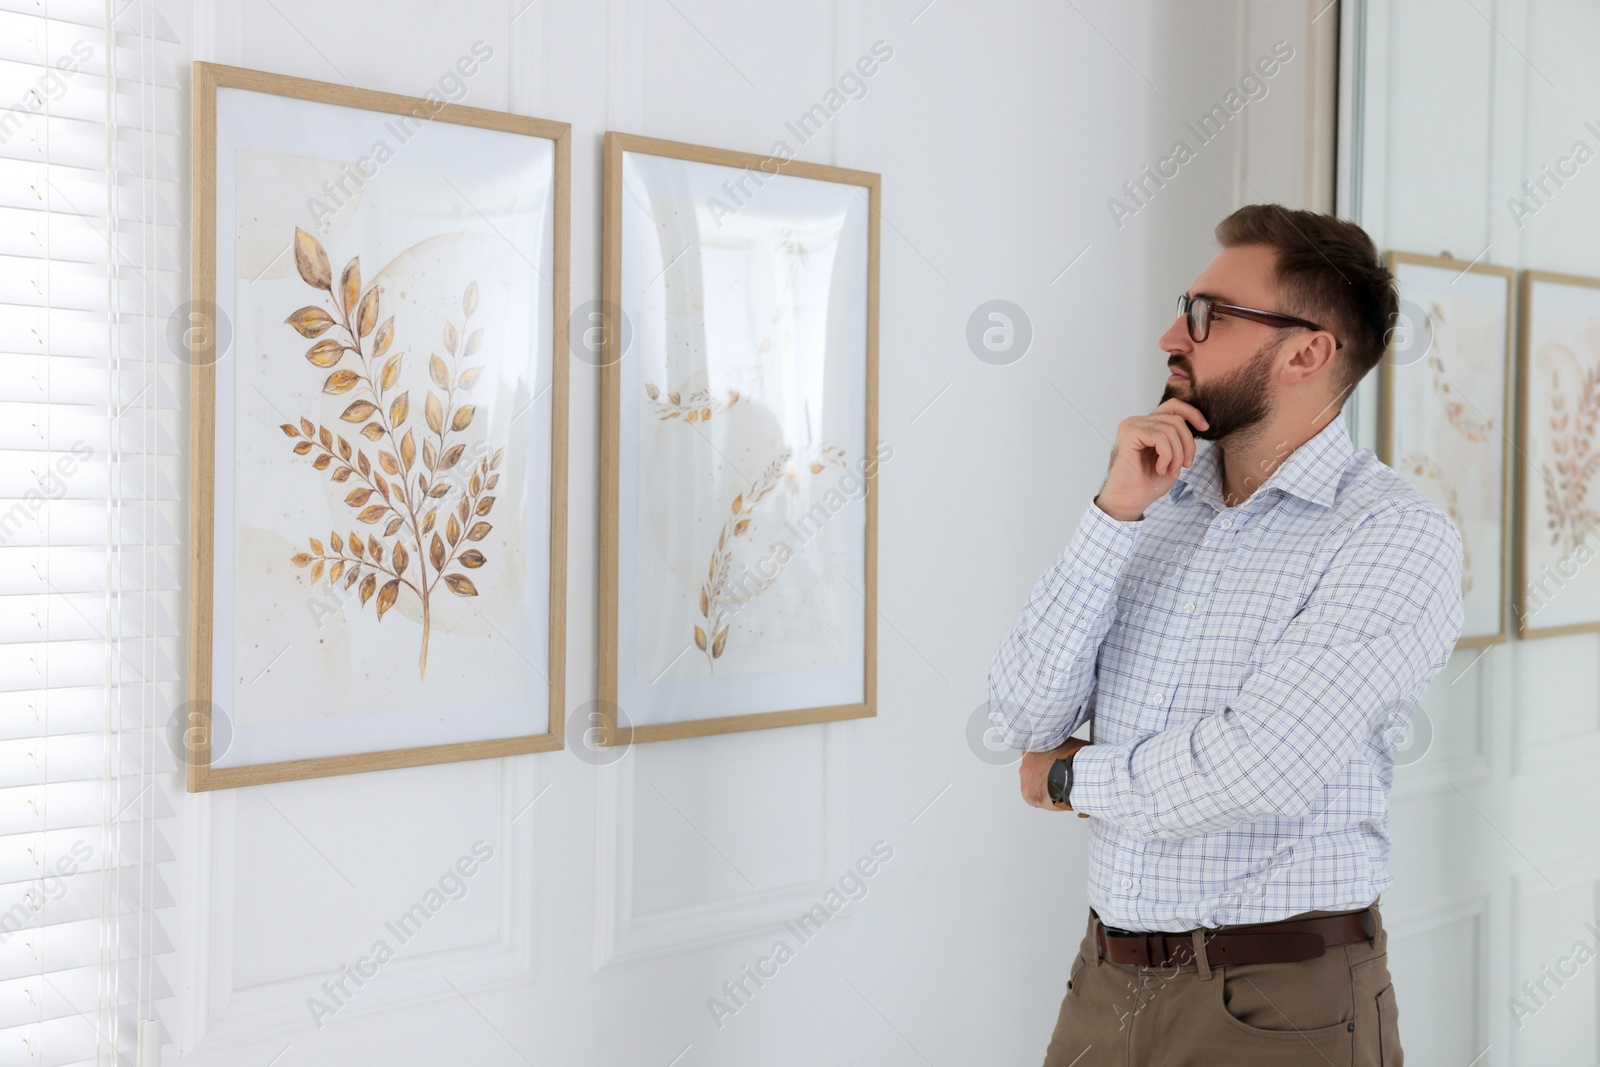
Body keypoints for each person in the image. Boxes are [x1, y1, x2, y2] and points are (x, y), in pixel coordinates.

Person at [987, 204, 1463, 1065]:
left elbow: (1261, 766)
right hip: (1103, 980)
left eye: (1206, 315)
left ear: (1307, 351)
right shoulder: (1150, 503)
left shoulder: (1390, 533)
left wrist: (1067, 776)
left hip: (1280, 1004)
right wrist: (1112, 514)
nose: (1173, 333)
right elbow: (1023, 712)